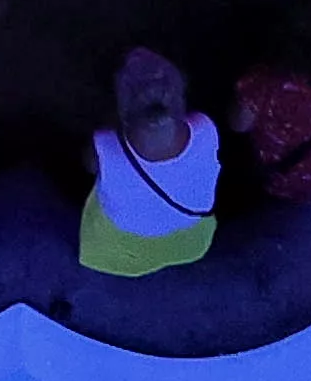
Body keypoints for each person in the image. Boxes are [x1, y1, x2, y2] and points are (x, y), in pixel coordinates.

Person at [73, 48, 220, 275]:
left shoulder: (104, 145)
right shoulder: (206, 128)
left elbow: (87, 165)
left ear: (123, 110)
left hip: (121, 251)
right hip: (190, 244)